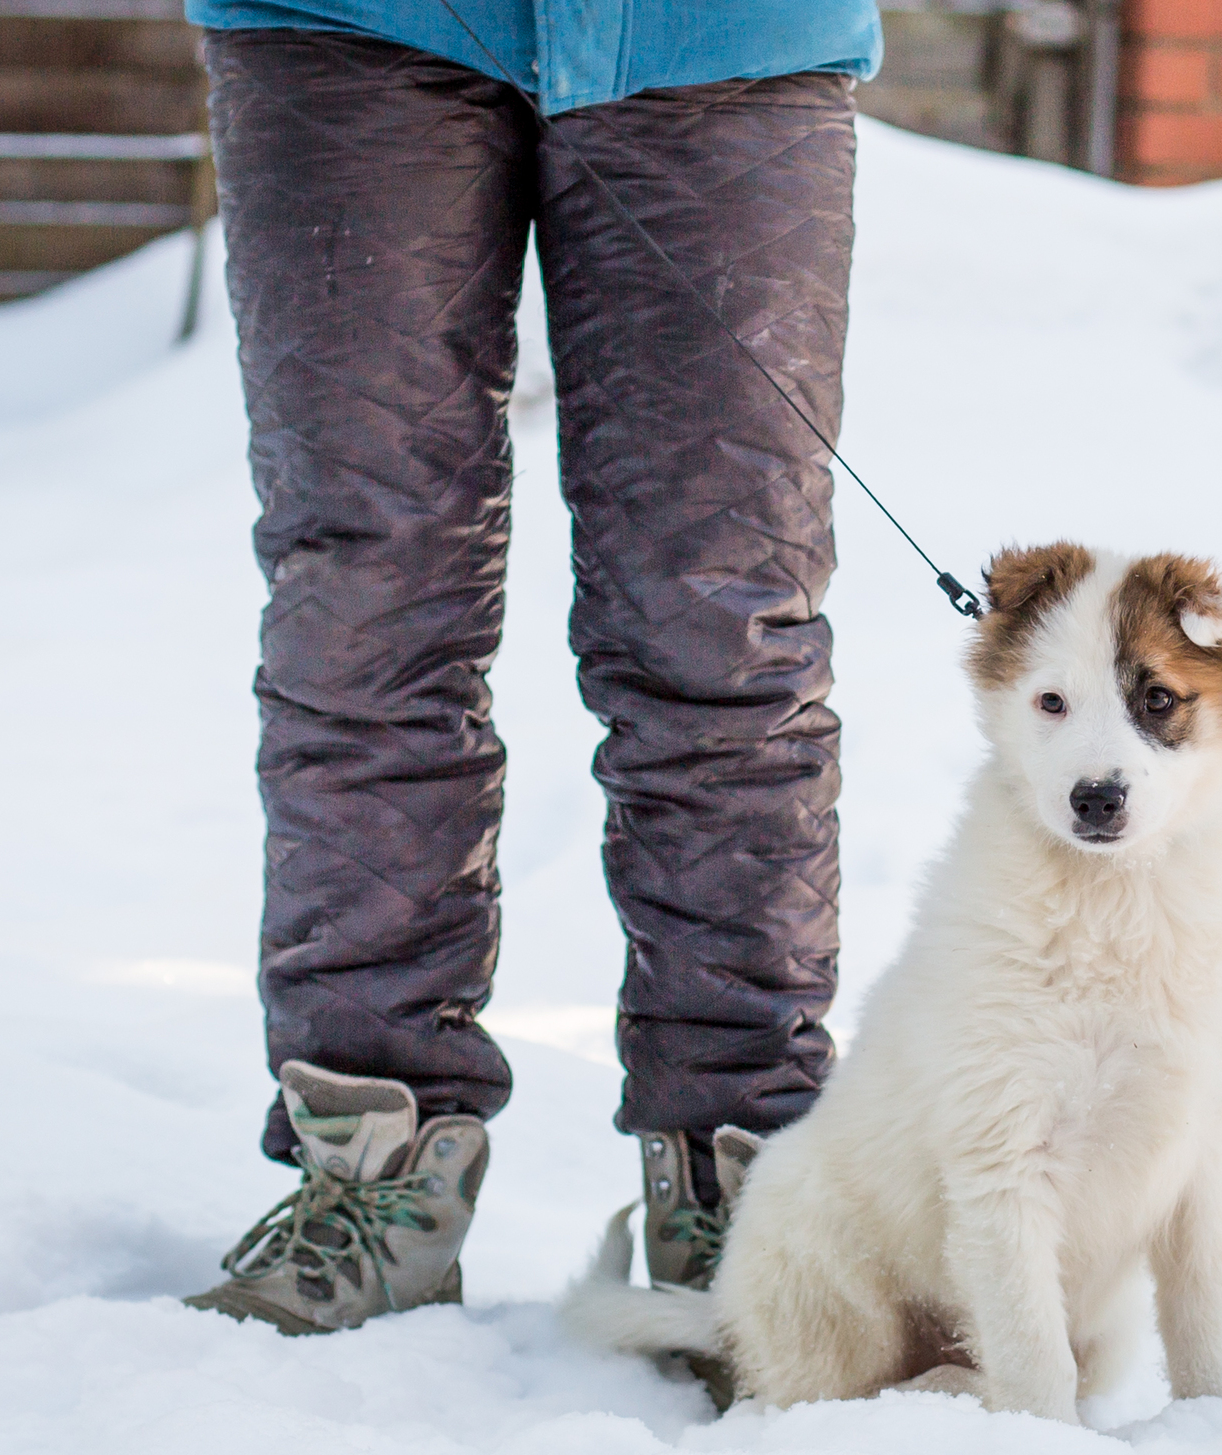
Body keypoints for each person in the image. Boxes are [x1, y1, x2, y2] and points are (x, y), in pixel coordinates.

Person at [181, 0, 882, 1335]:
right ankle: (372, 1165)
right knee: (365, 609)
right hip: (349, 26)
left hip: (726, 39)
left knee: (724, 630)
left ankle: (745, 1179)